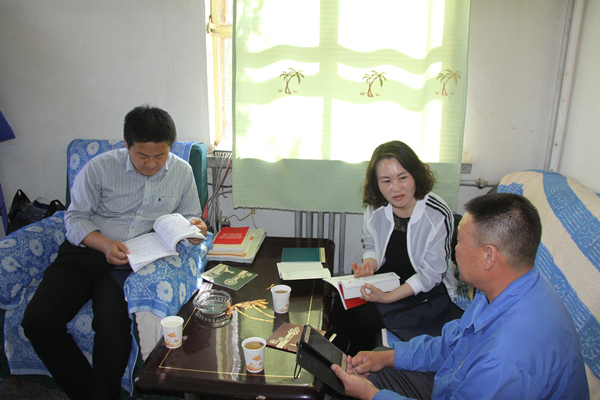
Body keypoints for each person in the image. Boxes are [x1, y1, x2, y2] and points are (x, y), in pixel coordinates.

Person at [21, 105, 208, 400]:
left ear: (170, 147)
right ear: (126, 145)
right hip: (87, 250)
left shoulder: (181, 172)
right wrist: (105, 244)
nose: (151, 164)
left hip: (131, 261)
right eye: (142, 156)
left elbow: (189, 217)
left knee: (112, 327)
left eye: (160, 156)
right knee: (37, 320)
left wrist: (196, 228)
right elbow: (75, 218)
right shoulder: (99, 167)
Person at [331, 193, 589, 400]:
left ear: (489, 256)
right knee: (377, 361)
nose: (454, 250)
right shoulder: (507, 289)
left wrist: (372, 396)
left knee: (367, 387)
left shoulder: (505, 359)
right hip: (460, 380)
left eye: (460, 242)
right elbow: (454, 343)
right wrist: (389, 357)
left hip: (474, 383)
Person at [329, 141, 460, 355]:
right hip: (389, 278)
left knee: (368, 318)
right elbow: (371, 245)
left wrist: (387, 297)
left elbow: (431, 275)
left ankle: (357, 368)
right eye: (386, 181)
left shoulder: (437, 213)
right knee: (342, 302)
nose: (396, 188)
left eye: (403, 177)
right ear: (377, 183)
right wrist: (370, 265)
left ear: (415, 174)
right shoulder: (376, 206)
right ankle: (334, 362)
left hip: (427, 290)